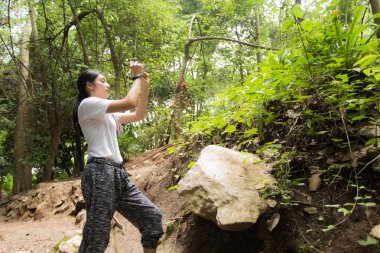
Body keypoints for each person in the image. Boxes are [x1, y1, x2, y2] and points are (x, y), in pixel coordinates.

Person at [72, 62, 164, 253]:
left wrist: (144, 85)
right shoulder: (87, 105)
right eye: (102, 81)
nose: (107, 85)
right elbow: (129, 101)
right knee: (97, 237)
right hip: (99, 172)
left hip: (117, 174)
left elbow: (139, 114)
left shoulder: (109, 115)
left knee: (151, 218)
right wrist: (137, 77)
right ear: (89, 86)